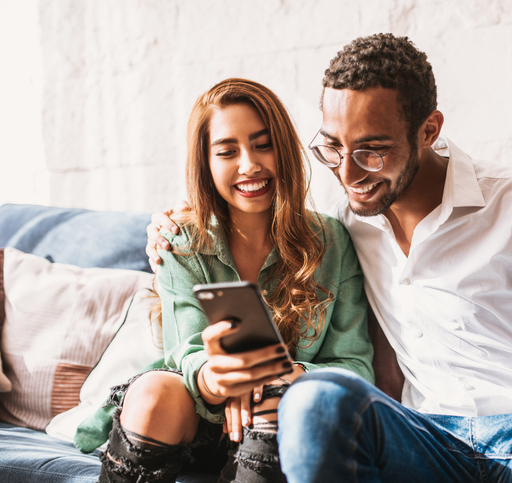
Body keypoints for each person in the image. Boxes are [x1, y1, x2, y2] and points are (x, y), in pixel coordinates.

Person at [148, 35, 512, 482]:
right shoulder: (346, 227)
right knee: (315, 398)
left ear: (428, 130)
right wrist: (180, 223)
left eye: (372, 150)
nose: (348, 174)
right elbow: (259, 228)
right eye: (332, 148)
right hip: (422, 440)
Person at [98, 78, 374, 483]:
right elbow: (185, 351)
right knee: (157, 389)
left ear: (284, 149)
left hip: (278, 422)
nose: (250, 164)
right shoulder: (181, 240)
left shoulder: (331, 241)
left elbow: (355, 366)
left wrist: (282, 376)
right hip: (194, 417)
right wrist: (219, 380)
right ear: (206, 163)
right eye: (227, 151)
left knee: (281, 396)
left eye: (263, 145)